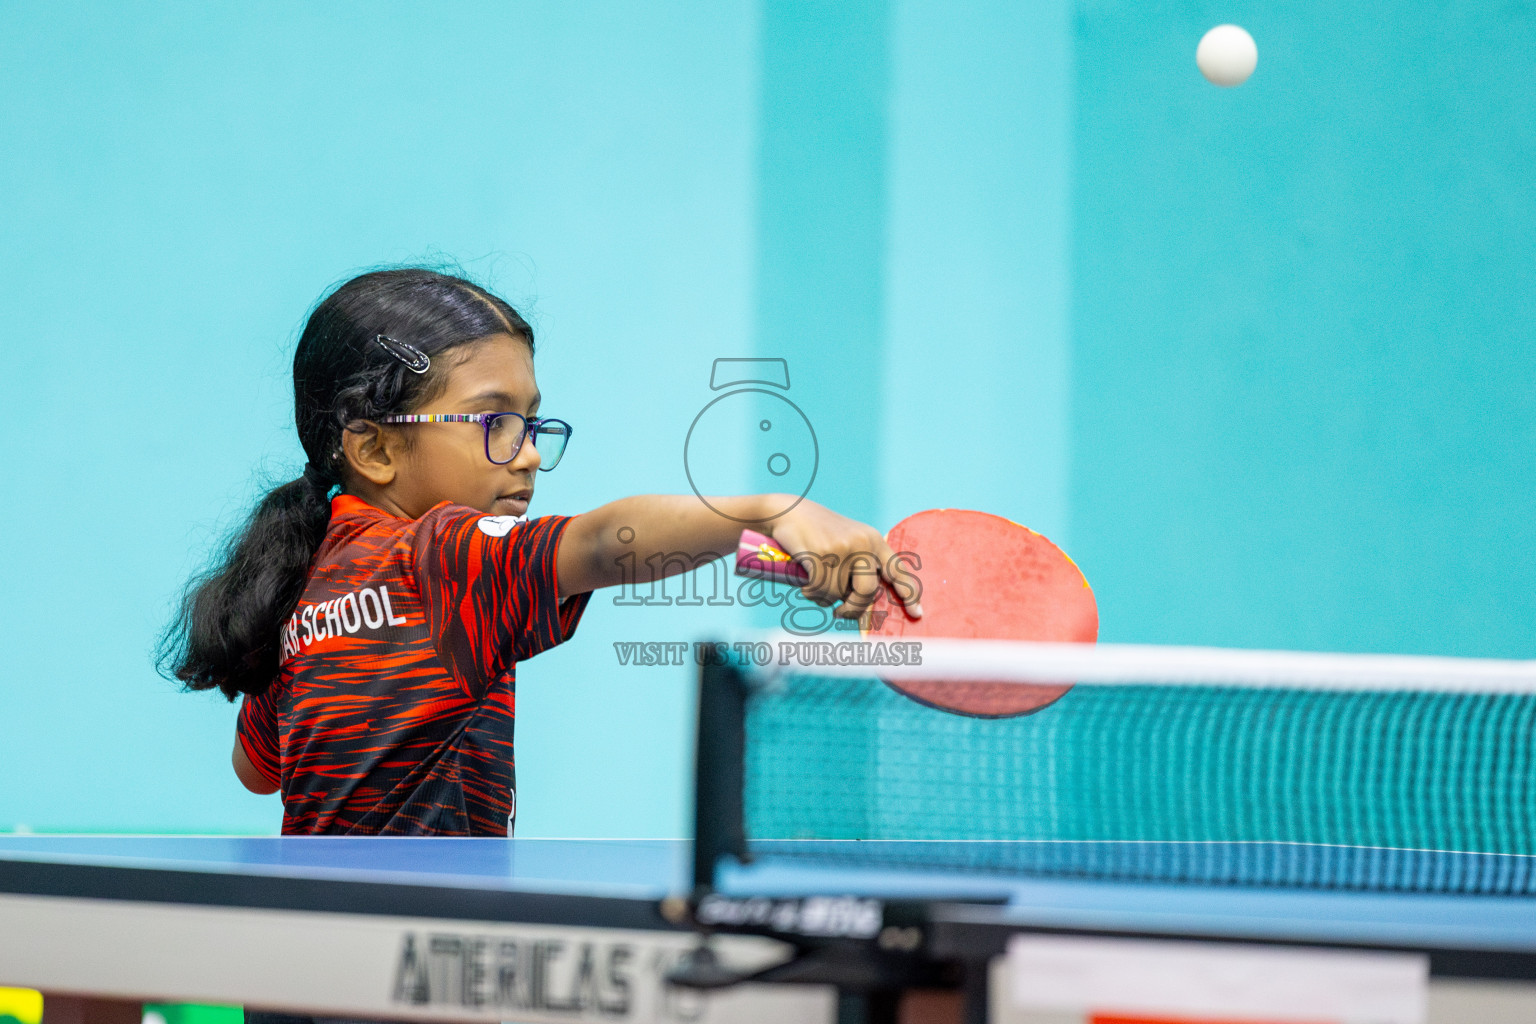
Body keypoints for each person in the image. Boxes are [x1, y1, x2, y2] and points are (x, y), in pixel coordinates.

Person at [160, 267, 920, 837]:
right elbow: (601, 543)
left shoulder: (301, 580)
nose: (526, 454)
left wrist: (763, 551)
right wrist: (769, 512)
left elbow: (257, 769)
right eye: (493, 422)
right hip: (421, 944)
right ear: (375, 447)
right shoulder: (445, 558)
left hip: (309, 944)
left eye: (531, 423)